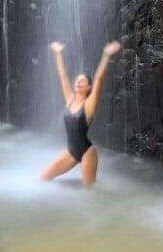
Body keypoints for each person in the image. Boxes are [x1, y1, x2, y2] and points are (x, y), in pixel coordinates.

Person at [39, 40, 122, 185]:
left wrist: (106, 55)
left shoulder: (89, 105)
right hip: (71, 151)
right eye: (77, 81)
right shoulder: (70, 99)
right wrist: (58, 53)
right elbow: (63, 76)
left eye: (82, 81)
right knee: (42, 179)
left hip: (87, 153)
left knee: (88, 193)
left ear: (89, 87)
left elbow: (98, 79)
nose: (78, 83)